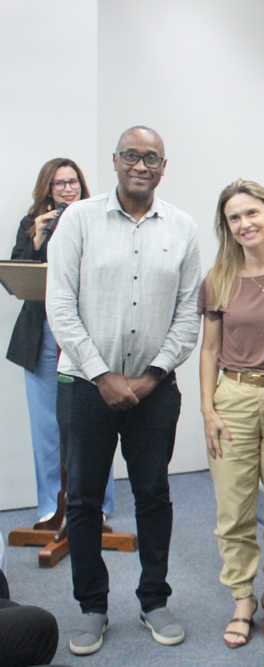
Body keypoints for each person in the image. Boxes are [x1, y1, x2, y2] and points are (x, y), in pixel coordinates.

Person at [46, 126, 200, 655]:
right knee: (85, 498)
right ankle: (92, 606)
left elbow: (188, 314)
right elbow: (60, 304)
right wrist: (102, 375)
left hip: (155, 389)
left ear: (163, 166)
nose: (141, 165)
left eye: (151, 158)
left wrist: (150, 376)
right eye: (131, 155)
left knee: (154, 494)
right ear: (115, 160)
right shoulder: (78, 219)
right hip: (86, 386)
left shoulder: (182, 227)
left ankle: (154, 599)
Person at [199, 180, 264, 648]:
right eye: (234, 218)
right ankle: (242, 598)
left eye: (252, 213)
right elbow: (209, 348)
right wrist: (207, 409)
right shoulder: (219, 277)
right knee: (233, 510)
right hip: (233, 398)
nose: (245, 224)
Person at [7, 159, 115, 528]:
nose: (67, 189)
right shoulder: (31, 223)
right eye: (59, 183)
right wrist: (38, 240)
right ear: (48, 188)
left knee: (93, 423)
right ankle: (51, 507)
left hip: (87, 334)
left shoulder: (97, 219)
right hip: (41, 335)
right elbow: (16, 275)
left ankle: (97, 503)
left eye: (73, 182)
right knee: (46, 428)